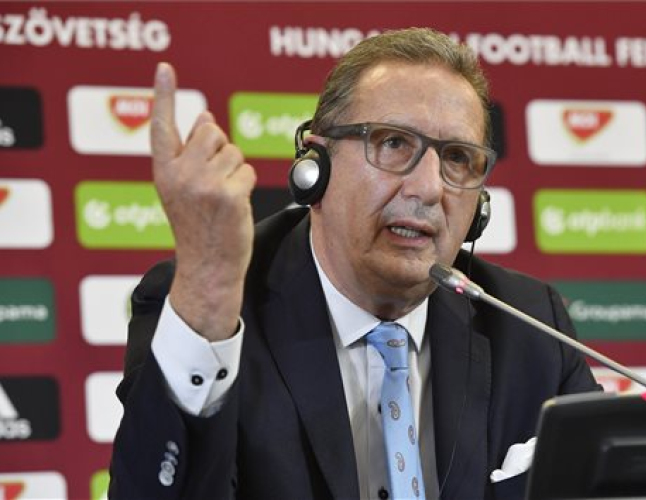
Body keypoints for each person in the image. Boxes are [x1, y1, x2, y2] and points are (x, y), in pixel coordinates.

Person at [109, 27, 599, 500]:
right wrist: (207, 294)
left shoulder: (530, 325)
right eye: (393, 143)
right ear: (315, 169)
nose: (429, 188)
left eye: (456, 158)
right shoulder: (212, 305)